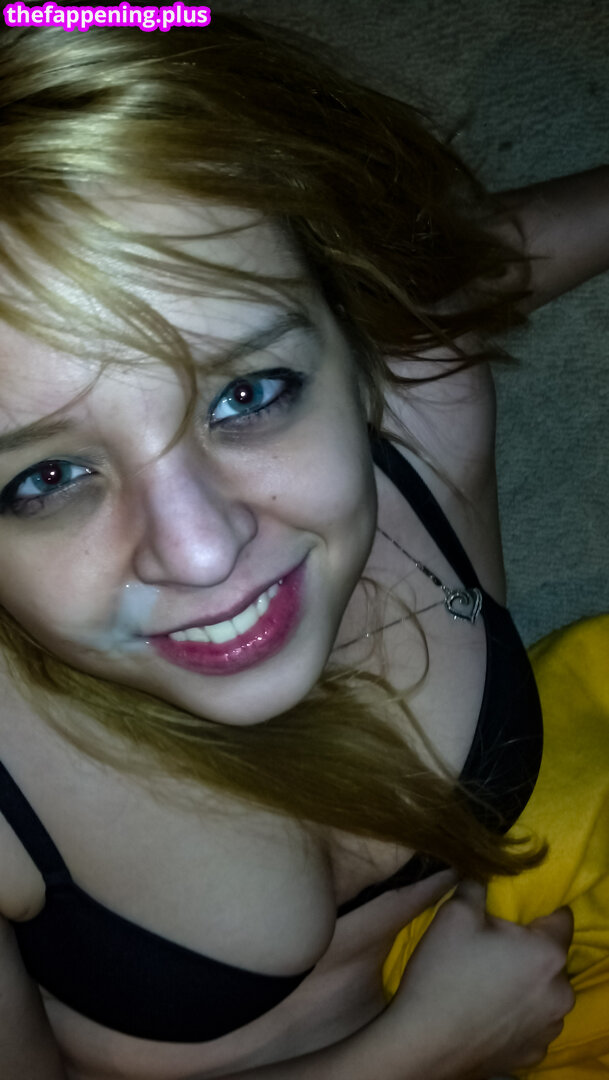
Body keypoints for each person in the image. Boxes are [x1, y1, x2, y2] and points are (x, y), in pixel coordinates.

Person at [0, 12, 607, 1080]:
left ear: (350, 332)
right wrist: (422, 1051)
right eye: (44, 478)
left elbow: (475, 268)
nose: (201, 554)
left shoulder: (420, 395)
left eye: (248, 392)